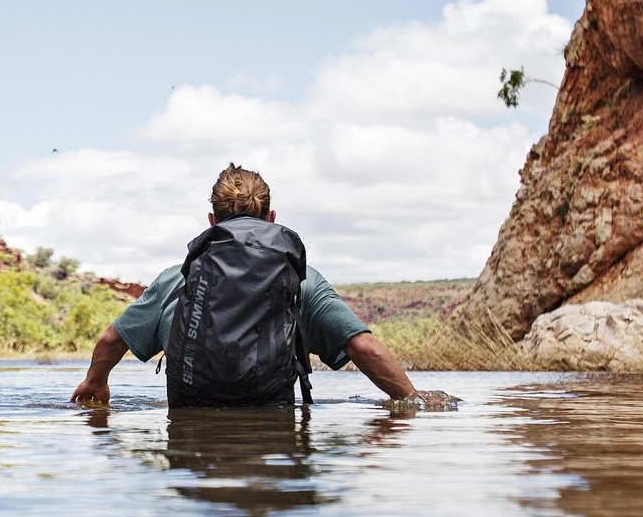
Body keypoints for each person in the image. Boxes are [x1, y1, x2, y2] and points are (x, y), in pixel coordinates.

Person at [70, 165, 451, 409]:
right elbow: (363, 346)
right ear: (270, 218)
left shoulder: (178, 278)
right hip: (273, 423)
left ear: (211, 220)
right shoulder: (303, 279)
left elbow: (110, 341)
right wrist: (412, 399)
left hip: (191, 431)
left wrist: (95, 382)